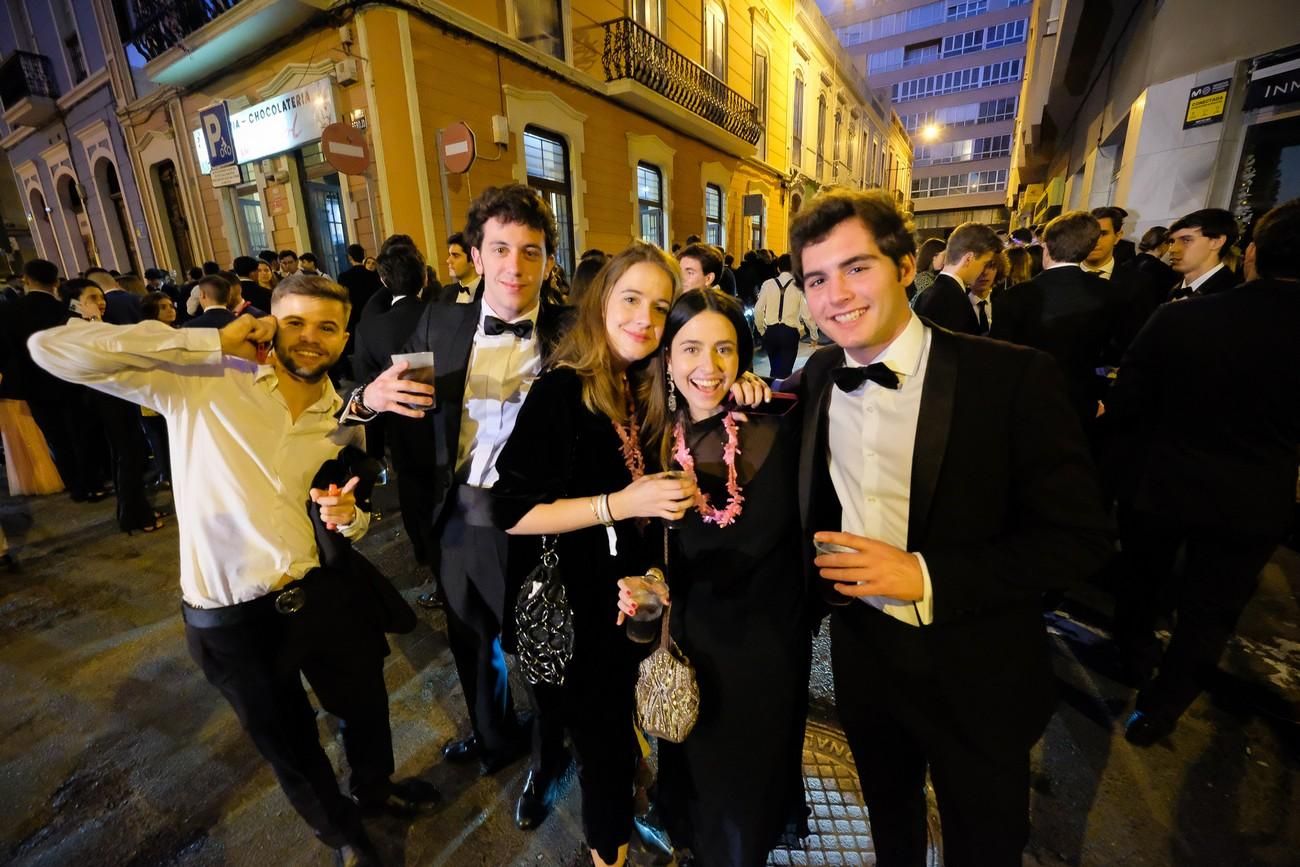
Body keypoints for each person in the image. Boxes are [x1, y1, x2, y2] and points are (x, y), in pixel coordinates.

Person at [29, 274, 439, 864]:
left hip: (321, 595)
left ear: (344, 336)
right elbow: (52, 350)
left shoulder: (337, 414)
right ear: (269, 322)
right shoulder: (203, 381)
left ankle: (374, 795)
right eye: (294, 322)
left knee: (367, 710)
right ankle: (345, 836)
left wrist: (347, 518)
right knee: (291, 745)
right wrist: (211, 342)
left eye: (326, 327)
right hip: (232, 619)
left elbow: (347, 515)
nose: (310, 338)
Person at [786, 189, 1112, 867]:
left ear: (907, 266)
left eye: (856, 267)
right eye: (816, 278)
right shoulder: (819, 374)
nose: (835, 294)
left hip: (977, 660)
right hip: (863, 652)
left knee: (984, 840)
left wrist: (927, 574)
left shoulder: (1012, 377)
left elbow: (1079, 537)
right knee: (890, 815)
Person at [351, 185, 571, 823]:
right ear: (475, 256)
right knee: (473, 641)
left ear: (547, 263)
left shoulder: (572, 331)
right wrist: (375, 398)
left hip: (541, 522)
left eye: (530, 252)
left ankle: (550, 757)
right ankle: (496, 737)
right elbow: (392, 398)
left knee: (546, 649)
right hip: (458, 515)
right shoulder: (439, 321)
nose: (514, 266)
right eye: (500, 249)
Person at [620, 288, 811, 866]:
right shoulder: (650, 438)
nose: (709, 367)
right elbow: (637, 546)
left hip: (764, 644)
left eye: (726, 349)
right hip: (688, 639)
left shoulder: (776, 426)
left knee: (748, 779)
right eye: (691, 349)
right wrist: (644, 593)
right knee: (693, 766)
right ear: (667, 359)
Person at [1108, 199, 1300, 746]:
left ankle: (1131, 656)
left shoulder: (1185, 317)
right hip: (1255, 495)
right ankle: (1162, 708)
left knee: (1142, 580)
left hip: (1164, 480)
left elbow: (1129, 401)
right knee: (1210, 612)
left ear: (1251, 253)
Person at [994, 211, 1124, 430]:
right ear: (1088, 247)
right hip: (1081, 401)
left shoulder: (1014, 296)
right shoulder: (1108, 293)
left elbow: (998, 357)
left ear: (1046, 246)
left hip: (1025, 403)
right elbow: (1116, 350)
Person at [351, 244, 435, 570]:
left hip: (403, 432)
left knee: (415, 498)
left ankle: (426, 557)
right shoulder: (447, 315)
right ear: (424, 277)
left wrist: (372, 452)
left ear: (384, 280)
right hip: (452, 429)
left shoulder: (370, 328)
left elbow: (365, 389)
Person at [59, 278, 164, 535]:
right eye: (92, 298)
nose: (101, 302)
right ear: (75, 304)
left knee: (129, 455)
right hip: (105, 400)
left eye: (101, 297)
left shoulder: (91, 326)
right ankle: (134, 516)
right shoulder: (79, 329)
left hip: (114, 397)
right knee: (128, 455)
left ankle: (135, 510)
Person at [0, 260, 105, 502]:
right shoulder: (65, 309)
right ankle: (94, 482)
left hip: (33, 384)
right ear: (56, 282)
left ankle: (76, 486)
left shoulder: (8, 312)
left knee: (57, 438)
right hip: (70, 380)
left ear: (26, 280)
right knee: (82, 433)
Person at [911, 222, 1001, 334]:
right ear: (968, 259)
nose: (983, 271)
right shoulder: (955, 300)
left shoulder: (927, 293)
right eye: (984, 263)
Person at [754, 253, 818, 378]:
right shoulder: (799, 286)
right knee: (785, 371)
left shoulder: (767, 284)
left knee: (774, 369)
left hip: (771, 331)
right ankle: (780, 393)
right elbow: (807, 314)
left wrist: (762, 330)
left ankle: (773, 393)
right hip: (790, 333)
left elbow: (758, 310)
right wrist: (813, 335)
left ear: (778, 268)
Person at [1167, 208, 1239, 298]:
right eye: (1172, 242)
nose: (1172, 249)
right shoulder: (1172, 288)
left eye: (1186, 240)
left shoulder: (1233, 294)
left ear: (1216, 242)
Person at [1083, 206, 1126, 279]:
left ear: (1117, 236)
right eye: (1088, 234)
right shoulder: (1060, 277)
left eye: (1103, 234)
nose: (1094, 241)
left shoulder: (1141, 282)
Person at [440, 232, 483, 303]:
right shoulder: (446, 292)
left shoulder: (490, 293)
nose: (448, 260)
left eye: (455, 255)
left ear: (473, 261)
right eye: (450, 255)